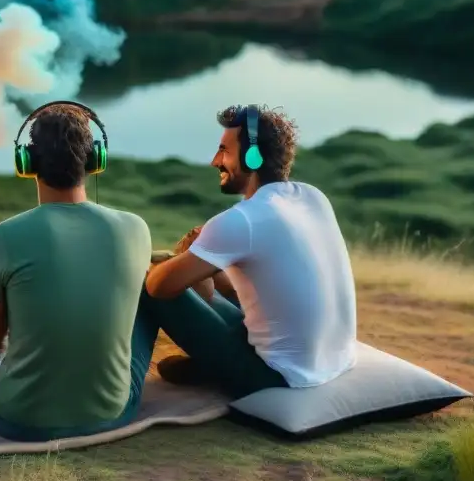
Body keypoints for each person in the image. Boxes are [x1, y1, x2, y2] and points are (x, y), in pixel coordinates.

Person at [0, 102, 154, 442]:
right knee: (152, 294)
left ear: (25, 163)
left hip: (19, 420)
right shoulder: (137, 228)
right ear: (94, 160)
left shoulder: (2, 237)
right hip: (113, 413)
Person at [145, 104, 358, 397]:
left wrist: (184, 257)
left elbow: (159, 287)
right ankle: (211, 363)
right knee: (217, 294)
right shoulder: (313, 197)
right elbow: (245, 292)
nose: (214, 161)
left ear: (252, 155)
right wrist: (205, 263)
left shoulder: (241, 219)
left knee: (148, 282)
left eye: (224, 151)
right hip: (332, 360)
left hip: (275, 376)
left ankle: (131, 381)